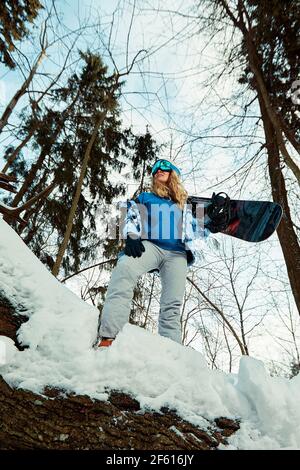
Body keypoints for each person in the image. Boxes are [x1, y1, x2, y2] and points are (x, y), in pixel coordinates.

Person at [97, 158, 212, 348]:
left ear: (173, 173)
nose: (158, 170)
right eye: (155, 169)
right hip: (150, 246)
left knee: (172, 303)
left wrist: (212, 222)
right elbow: (129, 211)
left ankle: (171, 351)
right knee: (124, 268)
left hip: (177, 254)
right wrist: (132, 235)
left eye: (164, 167)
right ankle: (109, 337)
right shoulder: (146, 197)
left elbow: (201, 232)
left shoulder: (187, 204)